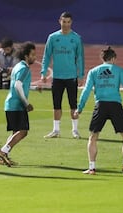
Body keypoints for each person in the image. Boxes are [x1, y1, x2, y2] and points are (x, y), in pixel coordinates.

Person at [75, 47, 123, 176]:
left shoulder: (93, 71)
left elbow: (86, 91)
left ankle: (92, 168)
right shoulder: (119, 70)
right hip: (115, 106)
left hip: (100, 105)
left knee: (93, 138)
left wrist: (79, 108)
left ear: (102, 58)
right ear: (113, 58)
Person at [41, 11, 85, 139]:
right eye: (63, 21)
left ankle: (75, 130)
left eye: (68, 22)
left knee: (73, 104)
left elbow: (80, 58)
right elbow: (47, 55)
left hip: (71, 77)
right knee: (56, 104)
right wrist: (44, 72)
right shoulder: (53, 37)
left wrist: (81, 75)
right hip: (57, 77)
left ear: (71, 22)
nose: (66, 24)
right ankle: (56, 130)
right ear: (59, 21)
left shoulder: (76, 38)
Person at [0, 42, 37, 167]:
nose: (34, 57)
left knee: (15, 131)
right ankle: (3, 151)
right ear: (26, 55)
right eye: (33, 55)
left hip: (10, 103)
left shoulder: (17, 66)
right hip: (17, 105)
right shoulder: (24, 68)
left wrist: (34, 88)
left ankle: (4, 156)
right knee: (23, 131)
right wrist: (26, 103)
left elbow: (19, 85)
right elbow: (17, 85)